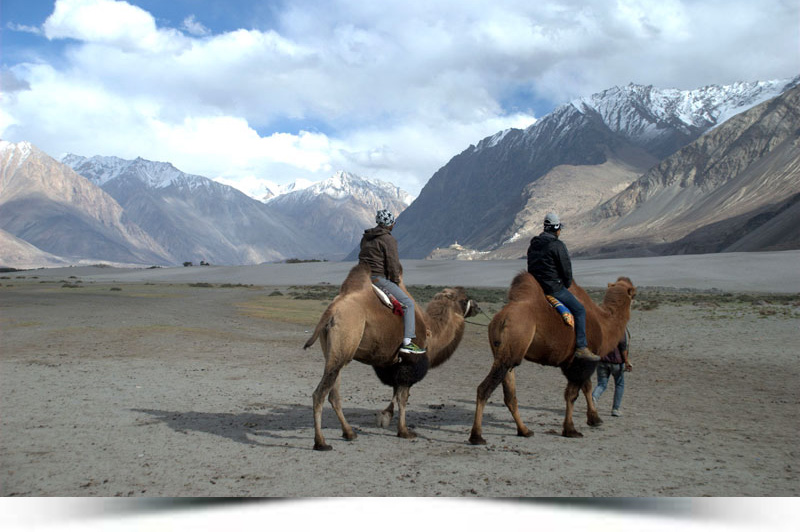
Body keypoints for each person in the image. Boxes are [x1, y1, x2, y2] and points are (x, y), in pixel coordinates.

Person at [527, 212, 599, 361]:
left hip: (535, 288)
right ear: (557, 228)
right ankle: (581, 346)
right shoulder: (557, 245)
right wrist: (565, 284)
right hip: (553, 288)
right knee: (579, 310)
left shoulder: (534, 243)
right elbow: (566, 269)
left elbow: (530, 266)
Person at [358, 209, 426, 355]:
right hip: (377, 278)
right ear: (389, 224)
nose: (393, 225)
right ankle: (408, 342)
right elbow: (393, 263)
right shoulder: (388, 240)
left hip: (361, 278)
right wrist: (394, 281)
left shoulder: (366, 238)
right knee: (408, 303)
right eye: (393, 223)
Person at [592, 331, 632, 416]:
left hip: (602, 361)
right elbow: (623, 347)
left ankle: (594, 396)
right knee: (619, 384)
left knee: (601, 384)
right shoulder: (619, 330)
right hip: (616, 362)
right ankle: (615, 409)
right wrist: (626, 361)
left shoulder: (603, 327)